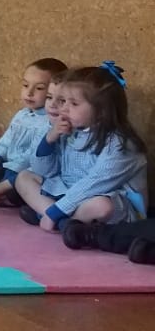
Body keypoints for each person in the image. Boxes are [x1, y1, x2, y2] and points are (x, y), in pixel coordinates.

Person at [15, 62, 148, 232]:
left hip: (106, 198)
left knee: (101, 206)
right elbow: (46, 172)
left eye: (74, 104)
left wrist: (56, 211)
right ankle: (65, 223)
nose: (63, 108)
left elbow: (95, 183)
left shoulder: (121, 144)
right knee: (24, 177)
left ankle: (52, 217)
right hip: (69, 194)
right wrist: (49, 140)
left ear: (101, 110)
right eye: (63, 101)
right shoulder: (70, 129)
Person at [0, 57, 65, 205]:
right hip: (6, 164)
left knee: (18, 183)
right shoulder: (22, 115)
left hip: (23, 170)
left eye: (39, 88)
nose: (29, 92)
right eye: (25, 85)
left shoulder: (50, 121)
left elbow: (32, 157)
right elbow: (6, 141)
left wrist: (8, 168)